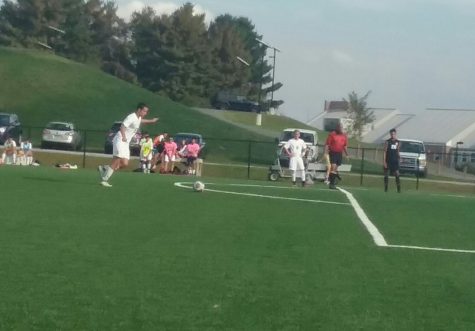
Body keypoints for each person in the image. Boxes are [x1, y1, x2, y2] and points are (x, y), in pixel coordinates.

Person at [98, 103, 158, 187]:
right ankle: (104, 179)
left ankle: (105, 168)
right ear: (139, 110)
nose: (145, 113)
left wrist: (152, 121)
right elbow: (122, 126)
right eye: (144, 111)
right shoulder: (131, 117)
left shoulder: (138, 118)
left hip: (125, 143)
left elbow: (142, 121)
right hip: (120, 140)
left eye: (146, 111)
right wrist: (123, 137)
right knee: (117, 160)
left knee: (125, 163)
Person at [325, 123, 349, 189]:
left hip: (339, 153)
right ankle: (332, 184)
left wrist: (347, 154)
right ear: (337, 127)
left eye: (341, 127)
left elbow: (345, 146)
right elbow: (327, 144)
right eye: (339, 127)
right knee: (333, 167)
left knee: (335, 169)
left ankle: (333, 179)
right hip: (333, 152)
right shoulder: (332, 134)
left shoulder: (344, 136)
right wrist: (326, 153)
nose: (340, 128)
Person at [383, 128, 401, 193]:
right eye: (391, 134)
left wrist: (400, 157)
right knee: (386, 174)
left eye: (393, 134)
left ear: (395, 134)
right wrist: (384, 161)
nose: (392, 135)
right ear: (390, 134)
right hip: (388, 160)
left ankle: (398, 189)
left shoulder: (398, 142)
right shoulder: (387, 142)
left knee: (397, 174)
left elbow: (398, 151)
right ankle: (386, 188)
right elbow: (385, 152)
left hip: (395, 161)